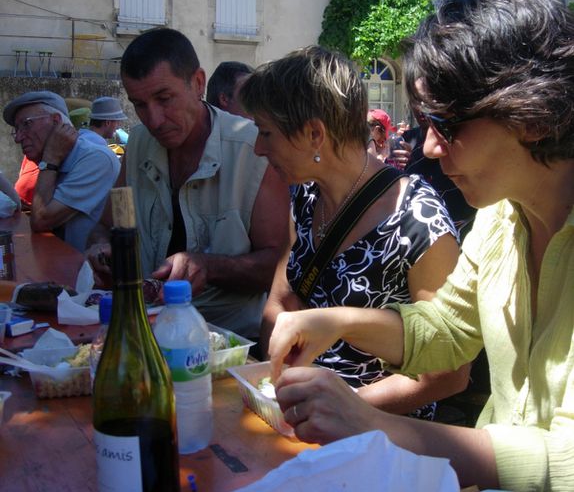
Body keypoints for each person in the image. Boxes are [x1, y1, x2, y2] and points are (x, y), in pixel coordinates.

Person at [267, 0, 574, 492]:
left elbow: (566, 459)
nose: (429, 145)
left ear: (535, 117)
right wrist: (337, 321)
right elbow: (449, 330)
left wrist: (373, 425)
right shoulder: (501, 216)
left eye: (447, 124)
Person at [240, 46, 469, 418]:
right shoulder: (305, 194)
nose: (257, 148)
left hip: (378, 437)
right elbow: (281, 302)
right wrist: (281, 381)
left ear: (315, 133)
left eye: (266, 132)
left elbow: (447, 374)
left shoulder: (416, 218)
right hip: (299, 420)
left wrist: (341, 408)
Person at [87, 29, 289, 340]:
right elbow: (105, 225)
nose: (153, 119)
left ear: (198, 83)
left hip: (228, 346)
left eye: (164, 99)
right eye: (139, 104)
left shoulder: (253, 149)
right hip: (146, 332)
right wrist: (100, 248)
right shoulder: (138, 142)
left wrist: (207, 266)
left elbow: (278, 267)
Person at [3, 90, 121, 251]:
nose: (18, 138)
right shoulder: (61, 159)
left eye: (27, 124)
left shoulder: (95, 158)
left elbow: (41, 220)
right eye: (17, 129)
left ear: (56, 122)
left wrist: (50, 159)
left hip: (93, 272)